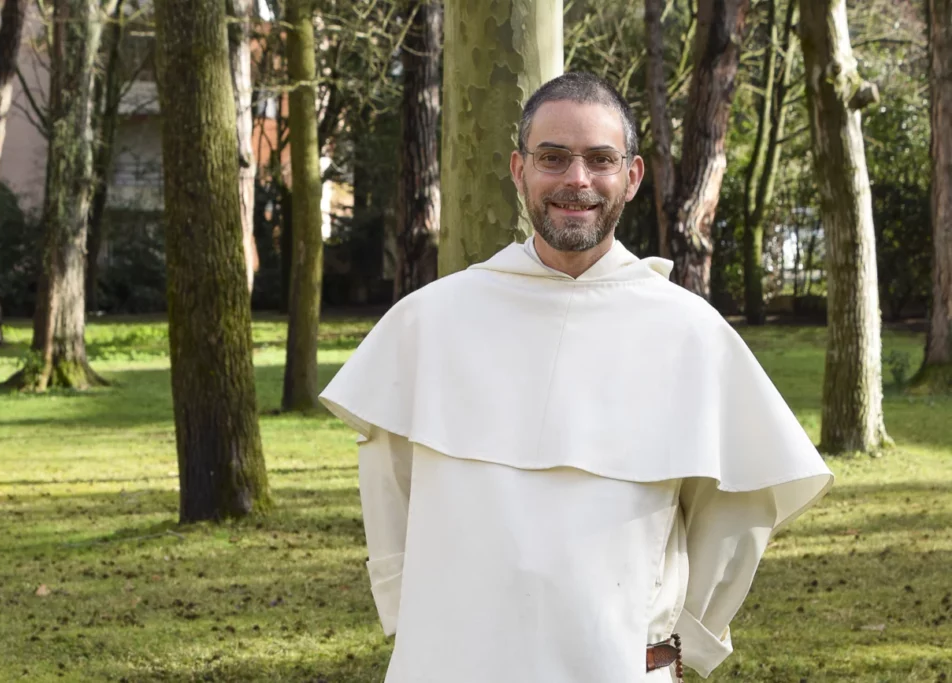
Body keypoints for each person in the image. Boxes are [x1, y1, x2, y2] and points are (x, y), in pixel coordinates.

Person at [319, 72, 833, 682]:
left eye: (600, 159)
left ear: (633, 176)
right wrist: (422, 622)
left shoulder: (689, 333)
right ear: (518, 170)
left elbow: (736, 506)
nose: (576, 180)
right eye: (553, 158)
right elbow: (389, 485)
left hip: (615, 664)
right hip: (452, 659)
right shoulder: (429, 322)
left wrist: (679, 636)